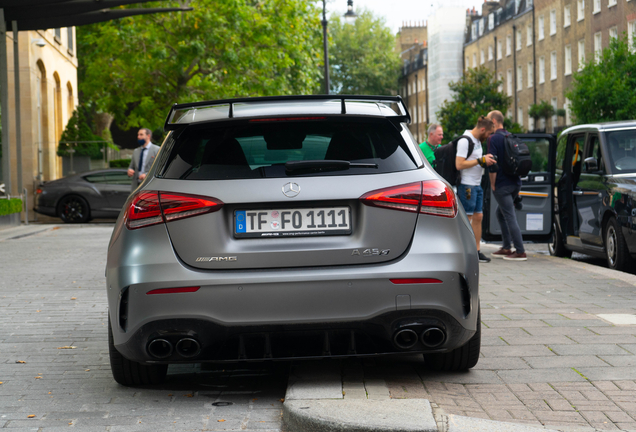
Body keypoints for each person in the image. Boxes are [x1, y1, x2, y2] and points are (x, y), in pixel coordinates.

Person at [486, 110, 526, 261]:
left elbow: (492, 163)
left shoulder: (493, 139)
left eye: (489, 121)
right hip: (516, 183)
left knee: (509, 216)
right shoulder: (511, 136)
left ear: (494, 122)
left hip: (502, 184)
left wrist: (492, 183)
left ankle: (520, 251)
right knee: (500, 214)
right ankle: (506, 247)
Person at [455, 116, 496, 263]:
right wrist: (480, 160)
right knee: (468, 218)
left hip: (477, 184)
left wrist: (485, 159)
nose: (489, 136)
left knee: (478, 217)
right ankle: (465, 251)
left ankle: (476, 250)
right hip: (467, 185)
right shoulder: (465, 141)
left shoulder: (478, 141)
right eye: (489, 133)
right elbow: (459, 164)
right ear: (483, 129)